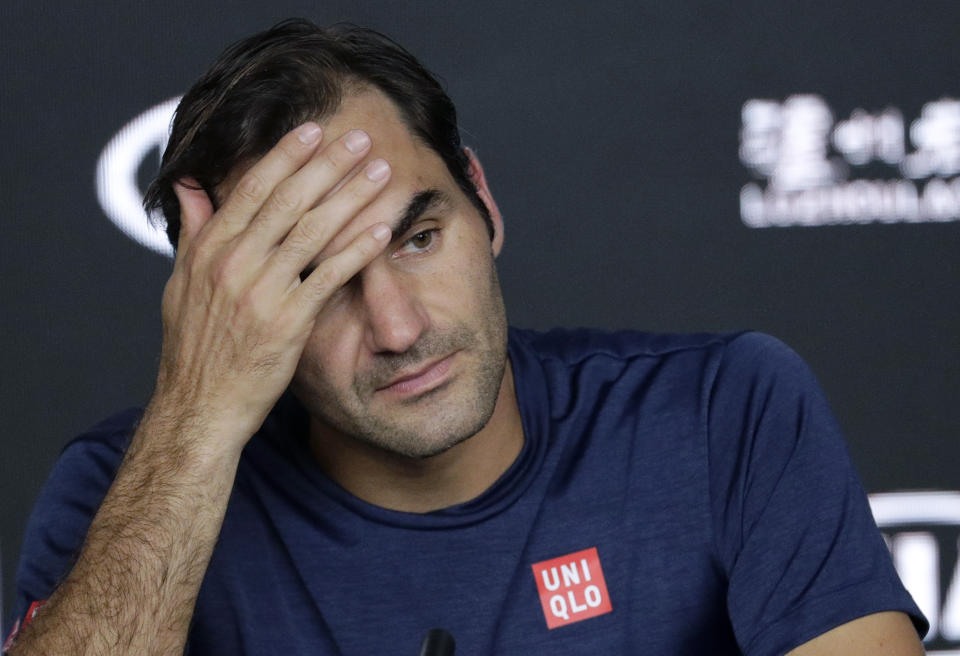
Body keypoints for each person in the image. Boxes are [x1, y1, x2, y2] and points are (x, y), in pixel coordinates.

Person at [5, 19, 927, 656]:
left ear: (481, 198)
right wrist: (198, 420)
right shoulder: (125, 490)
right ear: (230, 309)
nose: (400, 328)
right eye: (313, 285)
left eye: (418, 238)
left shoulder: (724, 410)